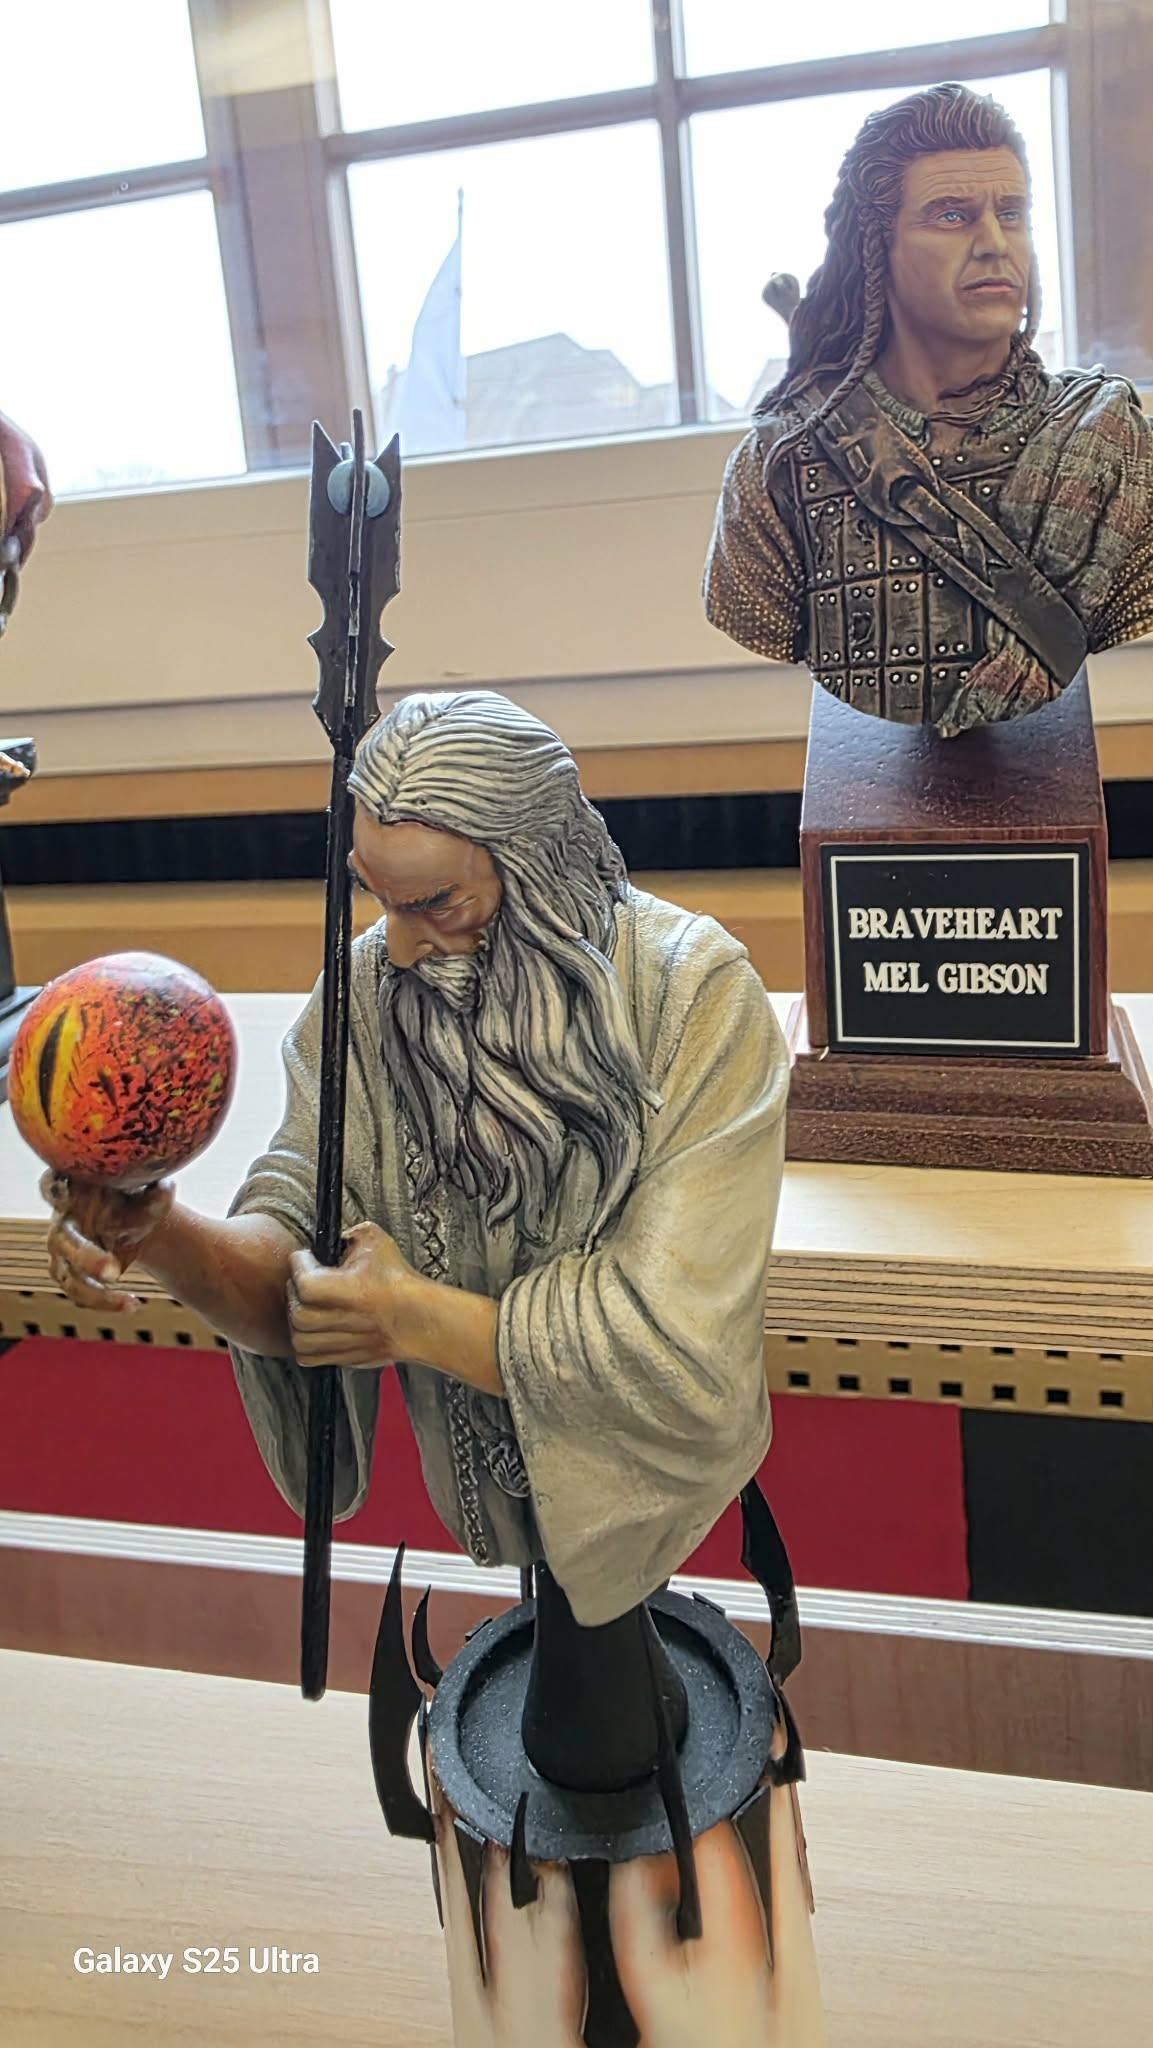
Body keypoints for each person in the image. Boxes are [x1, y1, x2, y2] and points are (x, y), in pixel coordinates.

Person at [43, 690, 789, 1626]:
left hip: (651, 1500)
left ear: (540, 870)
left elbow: (677, 1352)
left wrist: (414, 1318)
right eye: (378, 898)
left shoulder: (693, 995)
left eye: (437, 902)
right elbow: (306, 1269)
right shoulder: (368, 991)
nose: (398, 945)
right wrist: (159, 1230)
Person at [704, 81, 1153, 737]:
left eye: (1011, 214)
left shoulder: (1115, 445)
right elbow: (759, 618)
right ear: (875, 250)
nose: (994, 243)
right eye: (950, 216)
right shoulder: (780, 468)